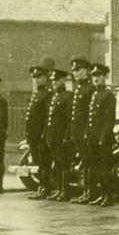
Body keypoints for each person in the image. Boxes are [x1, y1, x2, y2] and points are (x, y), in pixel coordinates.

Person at [85, 64, 116, 207]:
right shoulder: (94, 94)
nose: (96, 78)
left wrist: (103, 139)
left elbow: (109, 120)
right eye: (94, 76)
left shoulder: (108, 95)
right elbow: (90, 119)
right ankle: (102, 194)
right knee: (96, 168)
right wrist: (88, 135)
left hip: (103, 139)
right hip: (93, 138)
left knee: (105, 169)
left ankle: (108, 196)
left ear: (105, 77)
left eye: (99, 76)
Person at [67, 56, 96, 204]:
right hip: (78, 132)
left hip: (86, 132)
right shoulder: (79, 88)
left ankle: (91, 192)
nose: (76, 73)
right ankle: (86, 191)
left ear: (87, 70)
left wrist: (86, 132)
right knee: (85, 161)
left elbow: (90, 114)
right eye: (74, 71)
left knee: (89, 162)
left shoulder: (91, 88)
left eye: (79, 70)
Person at [26, 57, 55, 200]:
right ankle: (41, 187)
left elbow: (47, 117)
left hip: (41, 136)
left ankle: (45, 188)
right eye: (34, 77)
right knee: (39, 163)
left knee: (44, 163)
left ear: (45, 78)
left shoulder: (48, 94)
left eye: (39, 77)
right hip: (33, 136)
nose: (36, 80)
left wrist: (44, 135)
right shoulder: (36, 94)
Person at [44, 69, 74, 201]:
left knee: (64, 164)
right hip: (53, 136)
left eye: (56, 80)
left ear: (63, 81)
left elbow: (69, 119)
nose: (54, 83)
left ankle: (65, 192)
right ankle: (60, 189)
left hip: (62, 136)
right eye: (53, 81)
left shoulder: (68, 96)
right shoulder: (54, 96)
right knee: (58, 163)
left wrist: (66, 136)